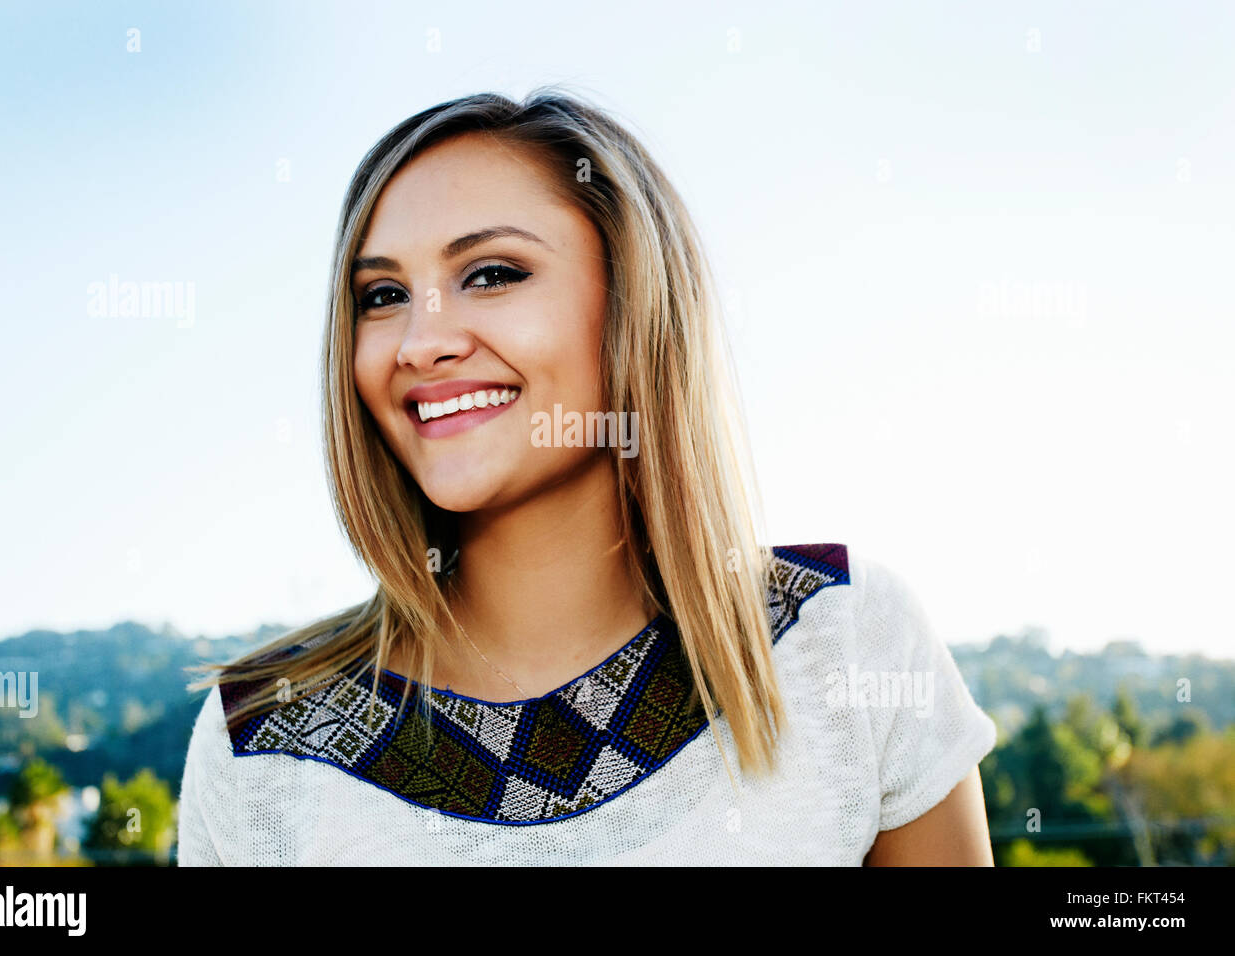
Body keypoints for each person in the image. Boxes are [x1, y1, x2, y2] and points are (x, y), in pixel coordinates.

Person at [176, 87, 996, 865]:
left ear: (634, 303)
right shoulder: (260, 738)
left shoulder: (846, 641)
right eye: (383, 294)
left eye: (492, 274)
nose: (419, 343)